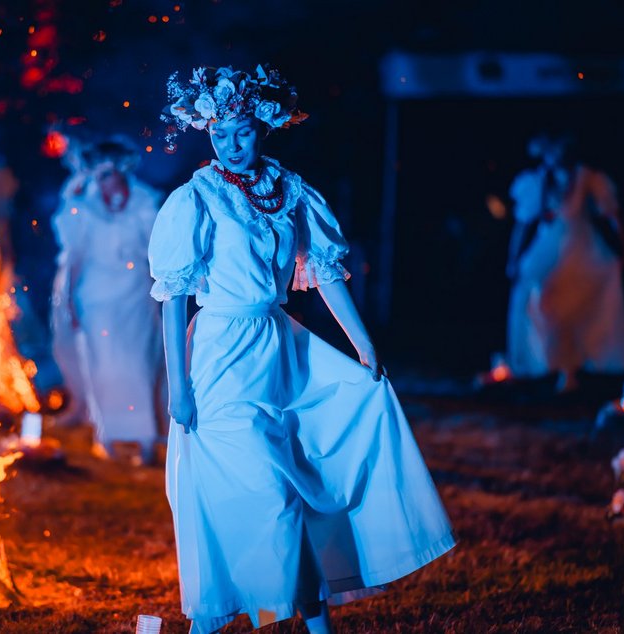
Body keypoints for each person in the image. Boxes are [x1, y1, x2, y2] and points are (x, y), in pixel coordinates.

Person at [149, 65, 454, 634]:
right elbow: (174, 299)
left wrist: (363, 346)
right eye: (219, 134)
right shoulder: (195, 199)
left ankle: (315, 626)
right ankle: (214, 618)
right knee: (269, 496)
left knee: (300, 490)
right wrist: (179, 387)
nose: (231, 144)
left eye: (241, 131)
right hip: (220, 356)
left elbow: (327, 272)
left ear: (263, 127)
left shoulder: (291, 191)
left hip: (280, 349)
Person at [51, 136, 166, 461]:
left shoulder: (145, 203)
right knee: (102, 365)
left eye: (111, 173)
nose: (107, 181)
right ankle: (108, 435)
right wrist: (69, 300)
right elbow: (74, 256)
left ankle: (145, 438)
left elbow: (156, 251)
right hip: (97, 298)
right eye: (99, 175)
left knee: (139, 363)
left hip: (135, 294)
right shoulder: (84, 209)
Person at [505, 133, 624, 392]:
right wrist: (514, 257)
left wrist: (622, 246)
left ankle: (571, 370)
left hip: (580, 247)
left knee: (576, 306)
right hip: (549, 246)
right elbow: (524, 223)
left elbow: (611, 213)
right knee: (537, 297)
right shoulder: (540, 180)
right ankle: (543, 362)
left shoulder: (585, 177)